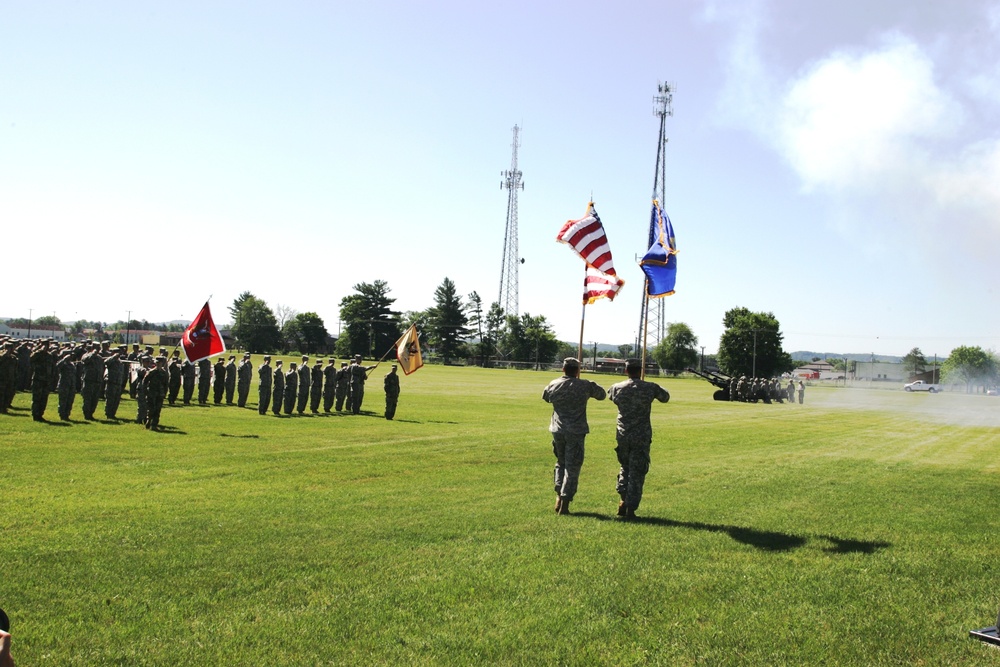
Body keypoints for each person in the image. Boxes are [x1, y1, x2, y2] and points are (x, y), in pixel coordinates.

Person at [542, 357, 606, 515]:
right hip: (576, 431)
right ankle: (565, 501)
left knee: (560, 462)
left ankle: (559, 494)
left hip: (558, 429)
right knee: (572, 467)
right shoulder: (585, 385)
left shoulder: (553, 384)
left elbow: (545, 397)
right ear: (578, 370)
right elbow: (602, 395)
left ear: (563, 369)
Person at [608, 359, 670, 520]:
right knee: (637, 471)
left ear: (626, 370)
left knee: (625, 467)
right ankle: (631, 508)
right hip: (641, 435)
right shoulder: (650, 387)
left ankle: (623, 499)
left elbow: (610, 396)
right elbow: (665, 397)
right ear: (641, 370)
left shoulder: (617, 387)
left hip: (623, 434)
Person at [29, 339, 54, 421]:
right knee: (37, 398)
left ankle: (40, 414)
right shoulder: (37, 354)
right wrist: (39, 350)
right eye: (45, 345)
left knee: (44, 399)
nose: (46, 347)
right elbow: (31, 359)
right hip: (38, 379)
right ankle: (35, 415)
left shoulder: (49, 356)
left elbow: (52, 368)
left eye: (48, 345)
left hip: (46, 380)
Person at [144, 356, 169, 430]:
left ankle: (154, 424)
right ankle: (149, 420)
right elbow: (145, 381)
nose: (158, 365)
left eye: (160, 363)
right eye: (157, 363)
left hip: (160, 394)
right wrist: (146, 391)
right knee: (151, 409)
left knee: (158, 410)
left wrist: (165, 393)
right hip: (152, 393)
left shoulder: (164, 373)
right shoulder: (152, 372)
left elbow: (166, 384)